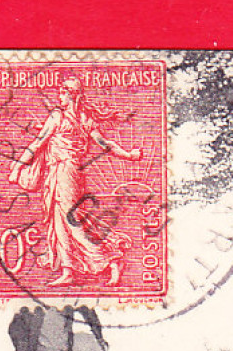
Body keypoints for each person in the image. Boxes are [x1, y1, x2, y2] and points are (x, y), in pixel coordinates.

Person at [8, 75, 143, 288]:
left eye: (62, 93)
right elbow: (105, 144)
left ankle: (111, 260)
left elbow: (38, 143)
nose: (59, 97)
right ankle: (68, 270)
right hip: (62, 173)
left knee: (71, 223)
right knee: (58, 221)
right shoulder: (85, 120)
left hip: (65, 173)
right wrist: (129, 155)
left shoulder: (59, 117)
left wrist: (17, 166)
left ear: (71, 95)